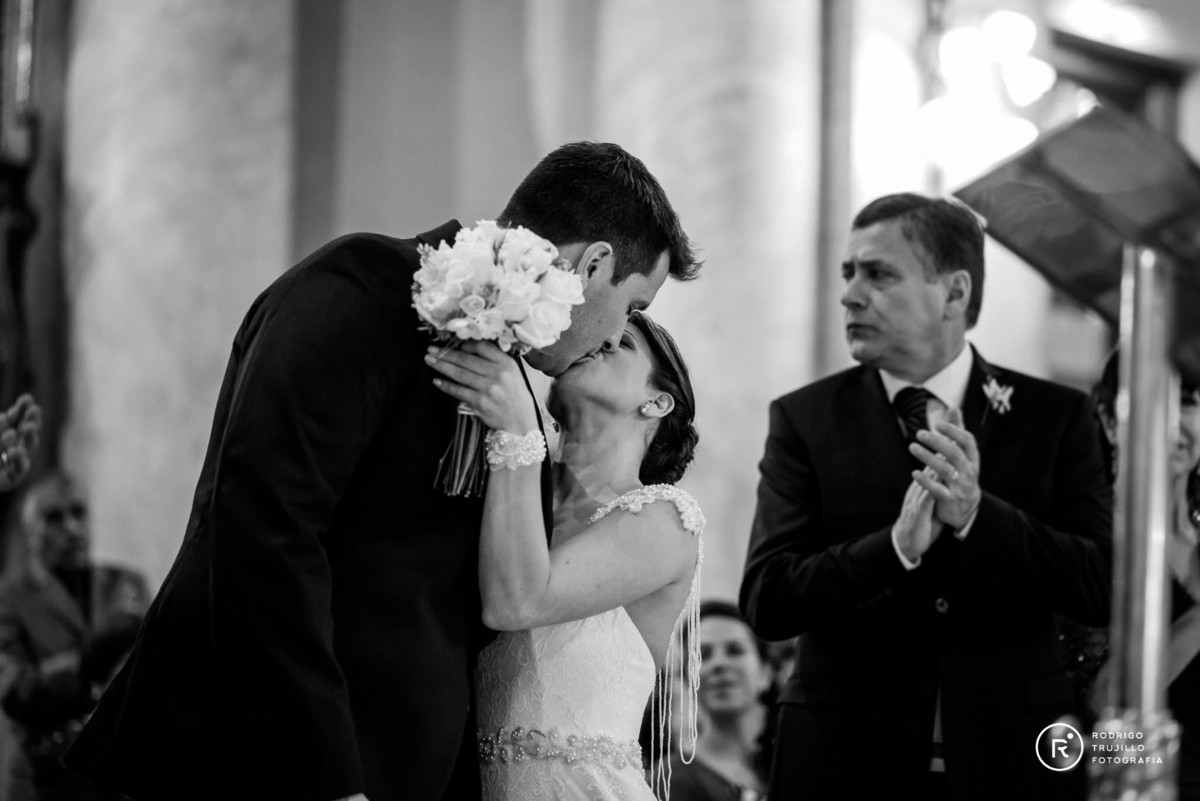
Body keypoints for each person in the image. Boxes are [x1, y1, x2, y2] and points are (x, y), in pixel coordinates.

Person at [66, 142, 700, 801]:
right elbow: (263, 528)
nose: (614, 337)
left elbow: (457, 634)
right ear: (594, 263)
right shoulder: (365, 286)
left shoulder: (519, 397)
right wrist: (327, 780)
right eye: (633, 308)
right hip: (247, 762)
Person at [739, 193, 1113, 800]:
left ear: (955, 293)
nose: (850, 294)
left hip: (1013, 761)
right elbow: (768, 599)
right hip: (846, 764)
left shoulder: (1054, 418)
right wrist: (892, 551)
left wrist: (976, 519)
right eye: (848, 273)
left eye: (879, 274)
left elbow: (1100, 584)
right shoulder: (805, 420)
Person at [426, 310, 703, 800]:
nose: (597, 341)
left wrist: (516, 432)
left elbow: (518, 603)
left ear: (657, 402)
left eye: (619, 344)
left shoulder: (666, 519)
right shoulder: (505, 495)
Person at [1089, 351, 1200, 798]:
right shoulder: (1087, 543)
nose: (1171, 419)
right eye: (1154, 399)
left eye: (1189, 401)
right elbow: (1099, 710)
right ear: (1110, 419)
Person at [0, 472, 148, 801]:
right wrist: (85, 665)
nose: (71, 528)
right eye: (53, 518)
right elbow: (16, 692)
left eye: (78, 513)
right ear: (29, 534)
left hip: (116, 780)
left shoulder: (124, 584)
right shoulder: (9, 600)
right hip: (45, 782)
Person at [668, 600, 771, 801]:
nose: (719, 664)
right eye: (703, 655)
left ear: (765, 673)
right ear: (688, 680)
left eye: (735, 650)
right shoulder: (671, 780)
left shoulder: (795, 764)